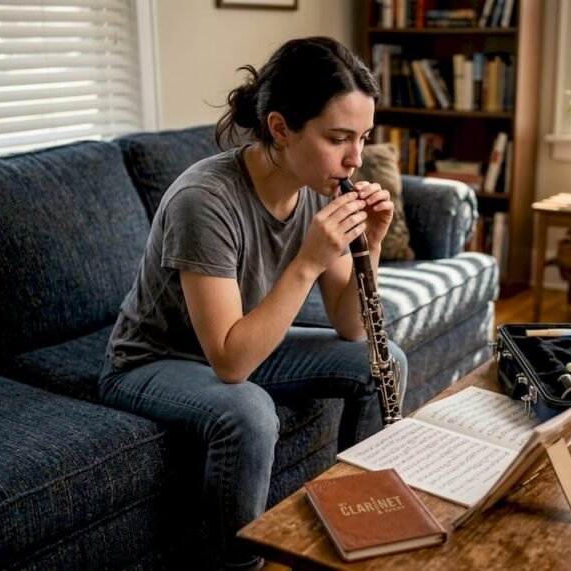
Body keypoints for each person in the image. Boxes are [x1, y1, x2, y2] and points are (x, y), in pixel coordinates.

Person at [99, 36, 408, 570]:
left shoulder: (321, 182)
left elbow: (352, 328)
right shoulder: (206, 200)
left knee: (386, 361)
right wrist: (308, 262)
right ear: (281, 128)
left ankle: (360, 525)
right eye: (338, 138)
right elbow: (231, 361)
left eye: (362, 137)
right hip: (153, 361)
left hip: (243, 343)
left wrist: (370, 248)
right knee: (249, 411)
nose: (356, 158)